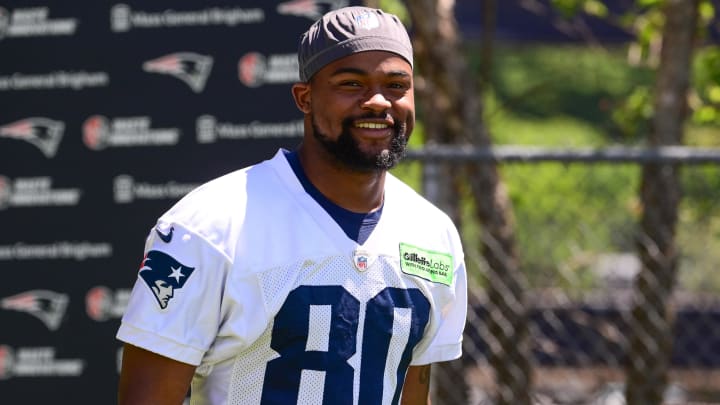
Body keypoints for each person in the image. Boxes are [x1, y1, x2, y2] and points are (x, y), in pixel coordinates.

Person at [116, 6, 467, 405]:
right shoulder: (210, 225)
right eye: (351, 84)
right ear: (305, 98)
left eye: (396, 85)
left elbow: (410, 389)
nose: (377, 102)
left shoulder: (433, 233)